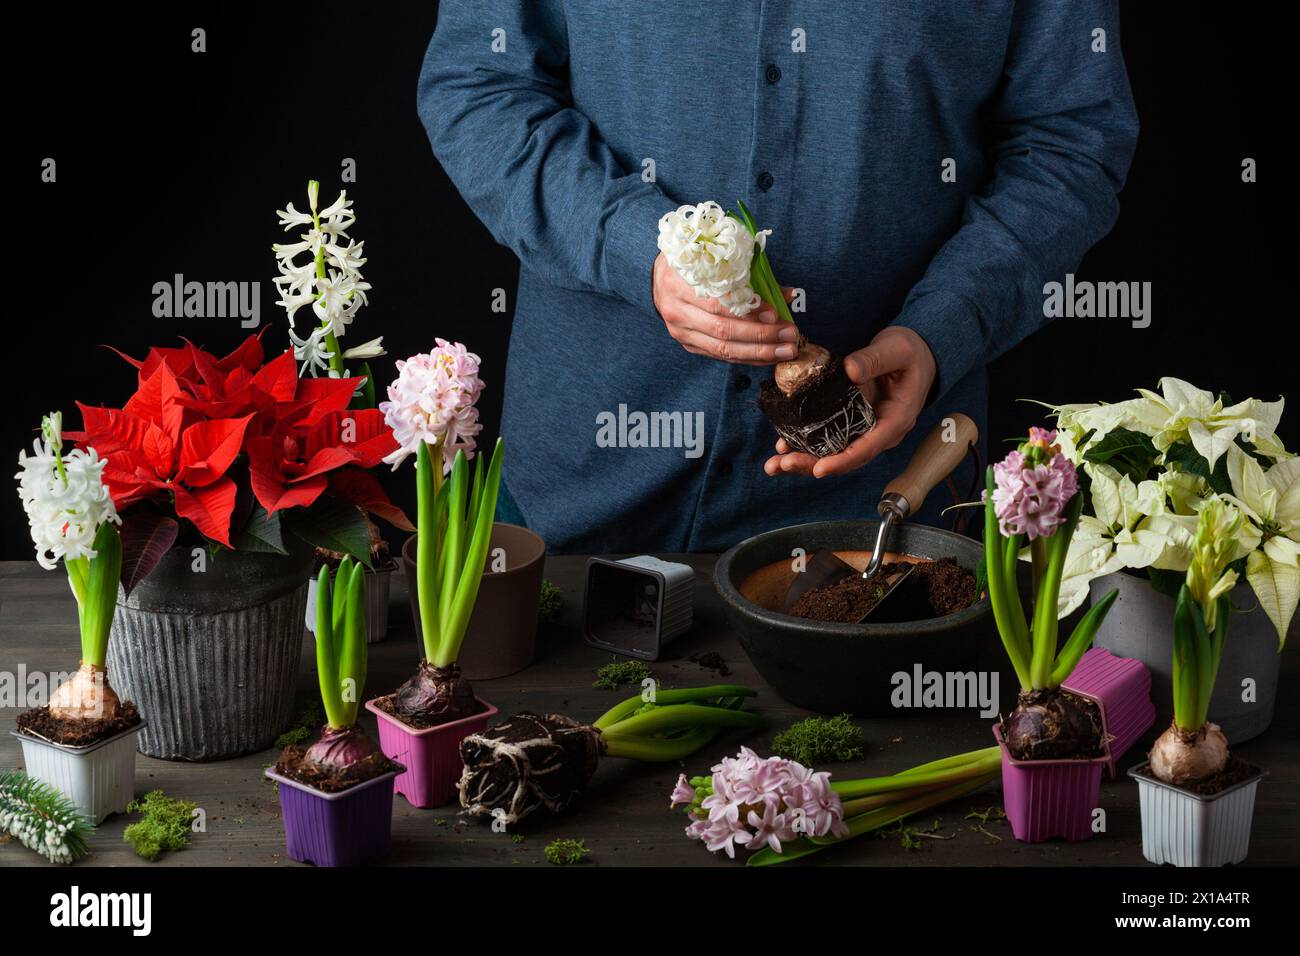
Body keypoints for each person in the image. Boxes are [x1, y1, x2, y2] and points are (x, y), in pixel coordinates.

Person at [418, 1, 1138, 553]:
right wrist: (635, 245)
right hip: (575, 496)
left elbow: (1071, 143)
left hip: (882, 512)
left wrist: (943, 326)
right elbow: (478, 85)